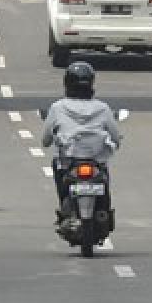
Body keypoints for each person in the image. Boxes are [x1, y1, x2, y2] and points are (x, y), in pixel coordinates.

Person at [41, 62, 122, 219]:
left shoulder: (58, 107)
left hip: (68, 161)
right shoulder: (103, 108)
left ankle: (64, 205)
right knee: (104, 174)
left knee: (57, 167)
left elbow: (45, 140)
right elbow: (115, 137)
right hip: (96, 160)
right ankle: (104, 209)